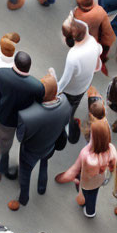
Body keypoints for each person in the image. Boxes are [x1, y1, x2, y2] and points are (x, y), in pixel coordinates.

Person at [8, 74, 71, 210]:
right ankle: (42, 187)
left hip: (31, 151)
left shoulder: (28, 116)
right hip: (50, 145)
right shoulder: (66, 102)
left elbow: (21, 137)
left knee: (25, 175)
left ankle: (23, 199)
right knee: (44, 164)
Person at [0, 51, 45, 181]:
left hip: (5, 119)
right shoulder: (37, 87)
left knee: (5, 145)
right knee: (24, 147)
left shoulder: (1, 74)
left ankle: (2, 167)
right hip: (25, 122)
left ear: (14, 62)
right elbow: (36, 106)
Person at [56, 118, 117, 217]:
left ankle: (82, 201)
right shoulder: (111, 149)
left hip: (86, 181)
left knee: (85, 192)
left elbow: (75, 170)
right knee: (93, 195)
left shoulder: (86, 154)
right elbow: (112, 166)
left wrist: (61, 178)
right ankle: (90, 211)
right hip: (100, 178)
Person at [56, 14, 102, 143]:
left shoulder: (73, 56)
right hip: (84, 85)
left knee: (66, 111)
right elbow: (99, 50)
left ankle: (66, 133)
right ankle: (69, 126)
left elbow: (65, 80)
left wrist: (54, 91)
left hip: (72, 90)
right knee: (73, 108)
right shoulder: (91, 40)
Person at [73, 0, 115, 75]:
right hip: (95, 40)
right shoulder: (99, 12)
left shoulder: (76, 13)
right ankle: (95, 67)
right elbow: (107, 30)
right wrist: (108, 41)